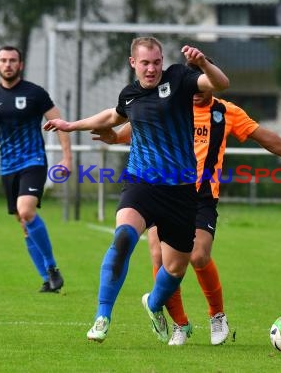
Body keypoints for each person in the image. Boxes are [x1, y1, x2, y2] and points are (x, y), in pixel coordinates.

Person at [92, 61, 281, 346]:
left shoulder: (226, 113)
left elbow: (265, 137)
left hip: (200, 196)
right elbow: (134, 127)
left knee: (198, 256)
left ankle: (216, 315)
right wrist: (110, 136)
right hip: (161, 187)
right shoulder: (171, 103)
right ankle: (180, 324)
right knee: (160, 259)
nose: (196, 88)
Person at [43, 37, 230, 343]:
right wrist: (69, 125)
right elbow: (110, 117)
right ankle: (102, 316)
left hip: (181, 191)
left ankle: (153, 304)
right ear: (133, 63)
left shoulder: (180, 79)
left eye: (156, 62)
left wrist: (203, 62)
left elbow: (220, 84)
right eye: (145, 63)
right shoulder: (129, 95)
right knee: (123, 238)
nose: (152, 68)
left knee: (174, 269)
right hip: (141, 184)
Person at [0, 45, 72, 293]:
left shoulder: (35, 93)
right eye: (3, 60)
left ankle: (52, 268)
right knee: (23, 223)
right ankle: (47, 280)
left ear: (20, 64)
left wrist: (67, 158)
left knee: (25, 211)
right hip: (8, 167)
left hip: (34, 162)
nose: (8, 64)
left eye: (12, 60)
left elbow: (59, 124)